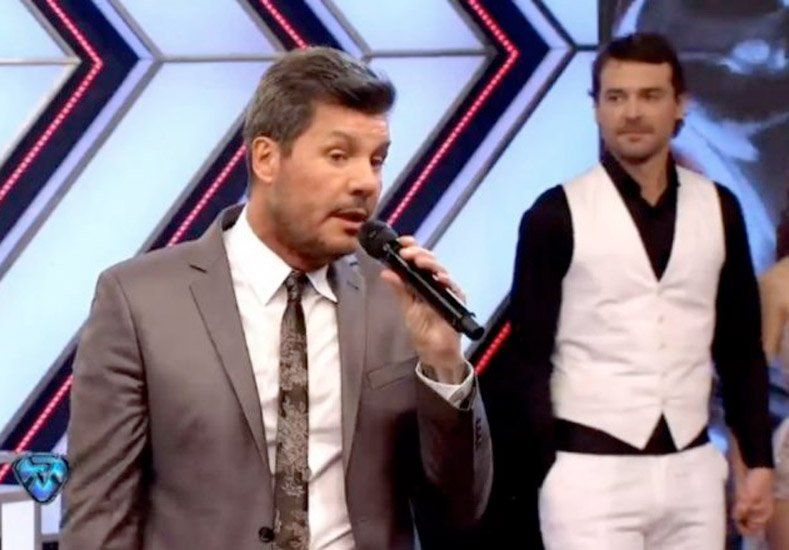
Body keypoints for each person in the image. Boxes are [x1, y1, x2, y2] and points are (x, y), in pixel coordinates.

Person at [60, 47, 492, 550]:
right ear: (266, 158)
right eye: (338, 156)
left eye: (377, 160)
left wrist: (444, 366)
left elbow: (461, 505)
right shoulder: (139, 301)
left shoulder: (399, 298)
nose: (365, 183)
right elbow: (100, 518)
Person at [503, 33, 773, 548]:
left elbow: (739, 347)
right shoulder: (554, 213)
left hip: (693, 469)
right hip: (589, 471)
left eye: (650, 95)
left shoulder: (720, 207)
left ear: (680, 104)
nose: (632, 112)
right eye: (616, 96)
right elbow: (527, 356)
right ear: (596, 109)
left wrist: (757, 459)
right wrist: (546, 465)